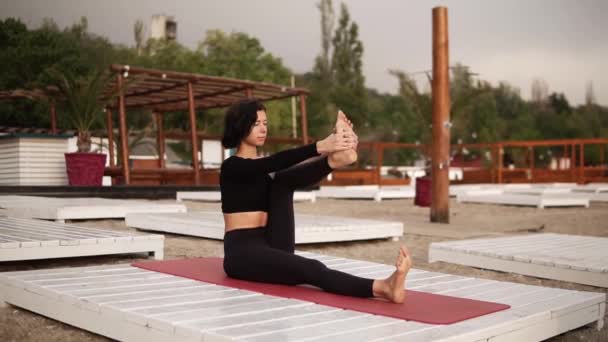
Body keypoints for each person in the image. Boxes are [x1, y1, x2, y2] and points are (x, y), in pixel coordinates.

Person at [220, 99, 411, 303]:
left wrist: (331, 151)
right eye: (256, 123)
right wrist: (320, 146)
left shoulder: (266, 173)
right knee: (311, 268)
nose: (263, 129)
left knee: (283, 181)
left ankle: (334, 160)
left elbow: (283, 168)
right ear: (241, 126)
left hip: (272, 242)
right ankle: (382, 288)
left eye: (265, 124)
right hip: (242, 252)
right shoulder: (232, 166)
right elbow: (272, 162)